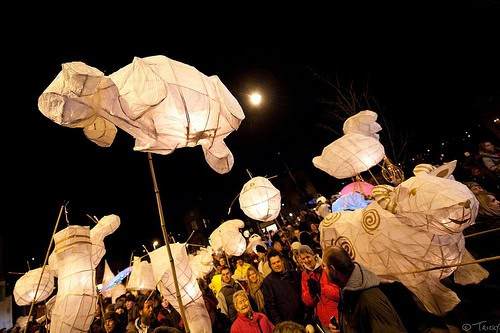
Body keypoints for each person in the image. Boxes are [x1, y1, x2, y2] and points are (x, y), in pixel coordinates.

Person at [322, 246, 406, 333]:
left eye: (324, 266)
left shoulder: (370, 300)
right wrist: (344, 327)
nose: (323, 270)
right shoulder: (348, 290)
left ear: (332, 270)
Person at [298, 245, 340, 330]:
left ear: (313, 255)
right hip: (323, 321)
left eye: (308, 257)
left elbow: (338, 293)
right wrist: (311, 294)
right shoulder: (304, 275)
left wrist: (321, 288)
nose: (306, 260)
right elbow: (307, 301)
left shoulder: (326, 267)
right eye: (303, 259)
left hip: (338, 316)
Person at [261, 249, 303, 324]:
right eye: (273, 263)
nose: (277, 265)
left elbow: (302, 295)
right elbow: (270, 307)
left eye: (278, 261)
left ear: (282, 261)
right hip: (286, 325)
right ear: (270, 266)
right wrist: (281, 325)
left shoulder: (294, 274)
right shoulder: (268, 282)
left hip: (302, 319)